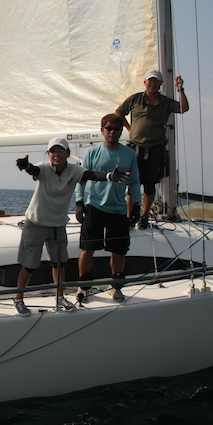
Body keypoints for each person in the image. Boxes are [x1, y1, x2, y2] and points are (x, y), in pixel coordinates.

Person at [13, 138, 129, 316]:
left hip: (58, 224)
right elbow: (34, 170)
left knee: (59, 264)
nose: (57, 154)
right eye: (53, 150)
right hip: (36, 223)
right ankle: (18, 299)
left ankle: (60, 298)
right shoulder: (44, 168)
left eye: (61, 150)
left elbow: (91, 175)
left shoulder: (74, 170)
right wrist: (26, 166)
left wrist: (109, 177)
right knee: (29, 265)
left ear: (68, 153)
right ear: (48, 154)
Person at [75, 114, 140, 304]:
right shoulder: (92, 152)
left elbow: (135, 182)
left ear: (121, 131)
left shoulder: (129, 154)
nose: (112, 132)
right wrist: (79, 202)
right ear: (102, 130)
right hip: (95, 207)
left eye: (116, 128)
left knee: (119, 251)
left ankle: (116, 287)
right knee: (88, 249)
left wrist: (136, 205)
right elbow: (81, 178)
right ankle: (84, 286)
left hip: (118, 210)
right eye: (108, 128)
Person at [116, 69, 189, 229]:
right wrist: (129, 128)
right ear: (145, 82)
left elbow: (183, 108)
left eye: (156, 80)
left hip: (155, 148)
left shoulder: (165, 102)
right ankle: (130, 216)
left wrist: (180, 89)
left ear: (160, 83)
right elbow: (119, 113)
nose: (152, 83)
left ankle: (144, 216)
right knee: (132, 184)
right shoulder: (135, 99)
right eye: (150, 80)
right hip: (136, 147)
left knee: (150, 185)